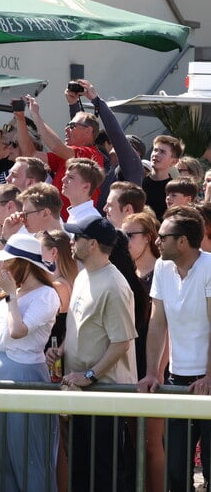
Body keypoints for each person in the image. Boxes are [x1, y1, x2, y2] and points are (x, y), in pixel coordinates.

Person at [48, 215, 136, 492]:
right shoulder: (85, 275)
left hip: (104, 397)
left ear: (93, 244)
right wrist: (61, 349)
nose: (72, 241)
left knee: (103, 476)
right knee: (82, 472)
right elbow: (82, 326)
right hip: (83, 394)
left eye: (78, 237)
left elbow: (122, 342)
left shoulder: (114, 284)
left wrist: (89, 375)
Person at [137, 206, 211, 491]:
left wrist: (208, 375)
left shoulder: (209, 267)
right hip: (178, 381)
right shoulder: (163, 268)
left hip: (207, 383)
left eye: (164, 236)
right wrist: (152, 373)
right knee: (177, 471)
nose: (157, 241)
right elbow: (157, 323)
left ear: (182, 241)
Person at [0, 234, 60, 492]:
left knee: (28, 455)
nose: (3, 269)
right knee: (3, 455)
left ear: (24, 265)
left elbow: (18, 331)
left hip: (25, 376)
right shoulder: (5, 296)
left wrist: (12, 296)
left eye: (8, 263)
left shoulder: (46, 295)